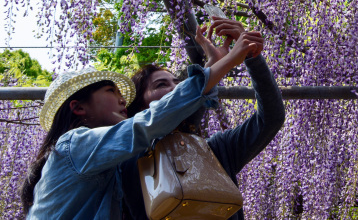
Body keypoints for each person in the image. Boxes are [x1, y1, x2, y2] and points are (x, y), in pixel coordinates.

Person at [20, 31, 262, 220]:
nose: (122, 99)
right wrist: (228, 62)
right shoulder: (74, 145)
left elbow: (171, 119)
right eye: (110, 91)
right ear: (79, 108)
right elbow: (149, 124)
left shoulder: (108, 161)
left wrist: (213, 64)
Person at [120, 17, 285, 220]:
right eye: (161, 85)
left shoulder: (218, 150)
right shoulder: (128, 157)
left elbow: (271, 117)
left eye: (178, 83)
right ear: (139, 108)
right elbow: (176, 114)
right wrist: (216, 66)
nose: (175, 88)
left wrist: (253, 57)